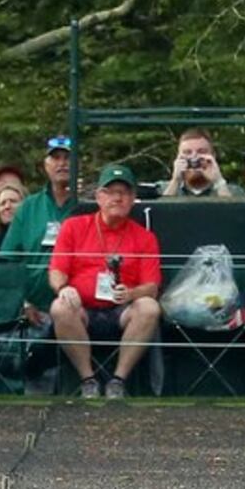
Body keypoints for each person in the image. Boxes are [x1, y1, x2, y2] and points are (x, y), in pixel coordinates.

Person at [45, 164, 162, 397]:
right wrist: (63, 288)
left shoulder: (145, 237)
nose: (117, 198)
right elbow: (56, 270)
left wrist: (130, 294)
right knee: (60, 306)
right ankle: (88, 379)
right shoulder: (73, 226)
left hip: (122, 310)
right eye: (111, 192)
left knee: (149, 307)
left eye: (124, 192)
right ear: (99, 196)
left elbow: (152, 287)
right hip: (83, 310)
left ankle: (118, 380)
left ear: (132, 199)